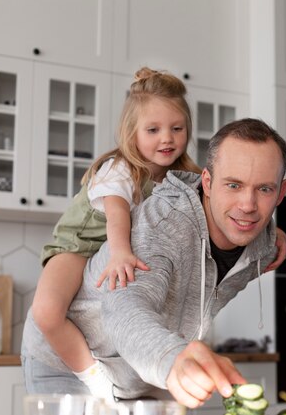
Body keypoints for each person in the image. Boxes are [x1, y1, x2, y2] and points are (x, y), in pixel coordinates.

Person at [21, 118, 286, 407]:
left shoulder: (263, 242)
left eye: (264, 189)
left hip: (140, 374)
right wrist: (172, 359)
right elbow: (125, 306)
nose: (248, 205)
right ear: (208, 183)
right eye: (234, 185)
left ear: (280, 193)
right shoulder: (163, 225)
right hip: (66, 365)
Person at [30, 67, 202, 400]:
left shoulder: (184, 176)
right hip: (78, 246)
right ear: (131, 133)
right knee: (46, 313)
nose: (167, 138)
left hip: (111, 248)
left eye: (176, 128)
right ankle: (92, 375)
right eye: (153, 129)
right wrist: (121, 252)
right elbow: (117, 214)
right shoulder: (120, 167)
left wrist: (272, 233)